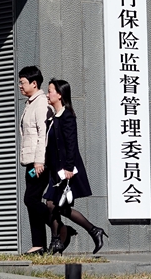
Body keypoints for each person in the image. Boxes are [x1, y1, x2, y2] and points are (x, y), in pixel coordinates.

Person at [44, 78, 108, 255]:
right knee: (57, 206)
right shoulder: (53, 117)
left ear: (60, 94)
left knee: (52, 204)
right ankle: (93, 231)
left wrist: (69, 168)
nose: (48, 93)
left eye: (50, 90)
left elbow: (72, 144)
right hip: (56, 170)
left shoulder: (67, 116)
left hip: (66, 170)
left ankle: (58, 239)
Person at [18, 65, 53, 255]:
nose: (20, 86)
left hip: (39, 163)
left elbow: (43, 135)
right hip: (31, 162)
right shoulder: (31, 103)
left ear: (34, 83)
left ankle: (59, 227)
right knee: (32, 201)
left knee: (30, 199)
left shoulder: (40, 104)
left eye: (23, 82)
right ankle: (38, 245)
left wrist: (39, 162)